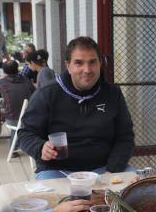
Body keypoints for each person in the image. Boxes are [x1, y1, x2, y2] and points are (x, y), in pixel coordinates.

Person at [18, 36, 135, 179]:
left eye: (92, 62)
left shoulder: (112, 93)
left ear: (100, 64)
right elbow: (25, 134)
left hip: (105, 168)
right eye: (79, 63)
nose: (87, 70)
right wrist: (40, 147)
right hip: (57, 171)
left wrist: (112, 170)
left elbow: (125, 136)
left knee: (137, 187)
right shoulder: (47, 94)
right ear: (68, 66)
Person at [0, 60, 35, 128]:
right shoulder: (26, 80)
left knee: (3, 108)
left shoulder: (0, 83)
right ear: (17, 69)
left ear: (4, 71)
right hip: (29, 114)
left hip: (12, 116)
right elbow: (34, 91)